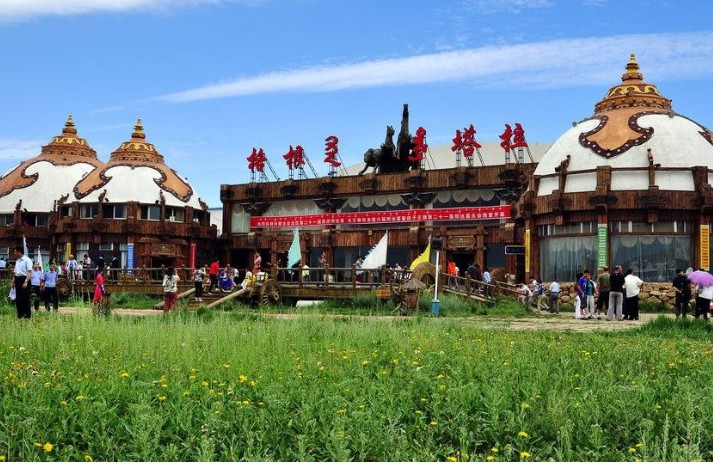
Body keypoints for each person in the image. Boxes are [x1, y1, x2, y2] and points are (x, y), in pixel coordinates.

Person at [13, 245, 33, 319]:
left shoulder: (27, 260)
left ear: (19, 252)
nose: (14, 254)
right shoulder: (17, 261)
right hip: (17, 280)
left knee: (25, 298)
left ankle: (27, 316)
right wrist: (13, 281)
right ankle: (20, 315)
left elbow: (29, 272)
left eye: (15, 252)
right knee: (18, 298)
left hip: (24, 279)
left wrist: (26, 281)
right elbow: (16, 272)